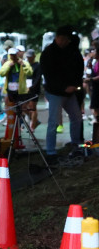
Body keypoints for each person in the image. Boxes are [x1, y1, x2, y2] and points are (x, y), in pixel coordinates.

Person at [40, 25, 84, 159]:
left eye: (68, 40)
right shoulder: (48, 53)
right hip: (56, 92)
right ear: (59, 38)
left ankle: (76, 145)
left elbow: (78, 68)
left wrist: (73, 85)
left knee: (76, 117)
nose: (66, 42)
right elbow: (49, 75)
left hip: (68, 91)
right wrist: (64, 87)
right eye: (64, 39)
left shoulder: (70, 50)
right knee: (54, 122)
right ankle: (51, 151)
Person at [26, 49, 42, 130]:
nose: (29, 58)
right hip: (26, 88)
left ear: (34, 56)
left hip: (34, 89)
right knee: (24, 107)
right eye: (28, 57)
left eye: (30, 57)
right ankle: (35, 121)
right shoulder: (26, 65)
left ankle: (32, 126)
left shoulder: (38, 66)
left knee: (33, 107)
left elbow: (38, 79)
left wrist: (31, 87)